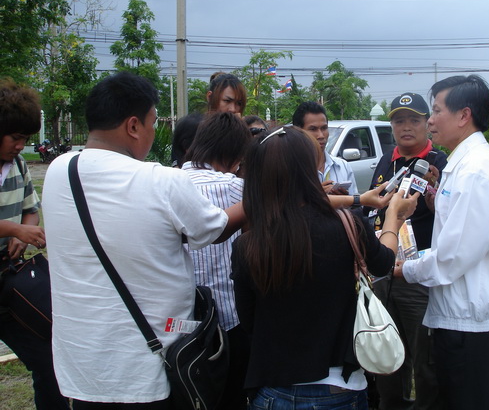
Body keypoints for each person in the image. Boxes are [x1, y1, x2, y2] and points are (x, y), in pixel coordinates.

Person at [42, 72, 244, 408]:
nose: (153, 132)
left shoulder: (59, 171)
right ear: (134, 126)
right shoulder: (160, 180)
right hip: (150, 371)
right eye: (152, 123)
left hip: (82, 371)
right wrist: (258, 196)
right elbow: (215, 229)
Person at [231, 126, 419, 409]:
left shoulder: (248, 245)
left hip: (274, 388)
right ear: (310, 171)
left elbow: (249, 321)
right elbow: (384, 262)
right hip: (340, 385)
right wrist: (393, 216)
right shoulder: (348, 225)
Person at [395, 75, 489, 410]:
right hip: (460, 314)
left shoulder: (475, 169)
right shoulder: (463, 164)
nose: (430, 121)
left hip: (470, 321)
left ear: (464, 115)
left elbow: (455, 255)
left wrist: (406, 269)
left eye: (436, 111)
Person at [369, 92, 447, 410]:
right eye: (399, 120)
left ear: (427, 123)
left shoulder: (439, 163)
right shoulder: (386, 161)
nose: (406, 127)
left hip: (419, 276)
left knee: (424, 356)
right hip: (385, 270)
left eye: (414, 120)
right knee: (387, 351)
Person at [0, 78, 69, 410]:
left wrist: (22, 231)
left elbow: (31, 210)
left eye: (25, 139)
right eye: (15, 137)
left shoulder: (17, 164)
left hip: (10, 280)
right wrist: (15, 229)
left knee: (47, 359)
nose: (20, 145)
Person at [181, 112, 252, 409]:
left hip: (182, 325)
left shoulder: (168, 184)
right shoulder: (238, 189)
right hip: (230, 322)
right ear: (235, 154)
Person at [292, 101, 358, 195]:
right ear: (298, 132)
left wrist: (345, 199)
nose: (321, 135)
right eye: (313, 129)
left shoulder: (342, 167)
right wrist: (318, 196)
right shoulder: (290, 169)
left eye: (324, 128)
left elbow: (356, 202)